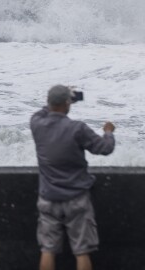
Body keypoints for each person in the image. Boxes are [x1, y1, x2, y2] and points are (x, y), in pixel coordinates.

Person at [30, 84, 115, 270]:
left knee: (48, 249)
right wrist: (108, 132)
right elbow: (105, 148)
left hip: (48, 197)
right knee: (82, 251)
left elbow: (46, 109)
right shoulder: (77, 128)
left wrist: (61, 97)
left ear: (49, 102)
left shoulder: (36, 123)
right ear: (68, 103)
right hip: (76, 198)